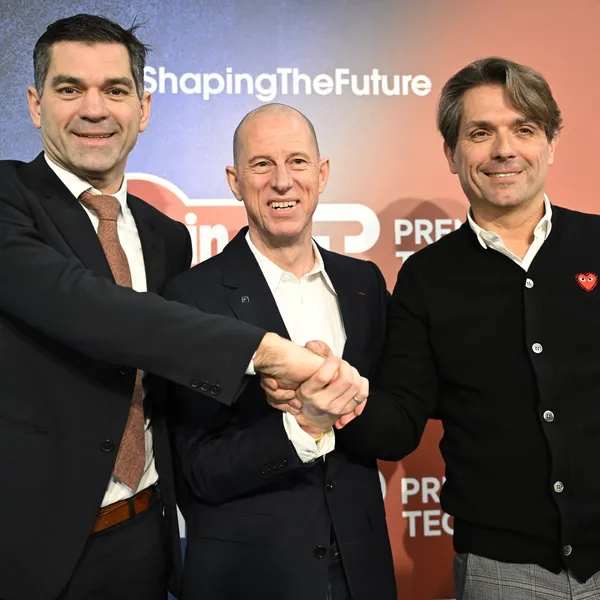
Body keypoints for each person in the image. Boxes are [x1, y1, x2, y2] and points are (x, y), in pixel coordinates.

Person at [0, 15, 358, 600]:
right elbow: (89, 308)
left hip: (148, 536)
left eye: (115, 90)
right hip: (27, 547)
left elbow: (171, 370)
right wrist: (267, 354)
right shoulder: (7, 199)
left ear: (142, 109)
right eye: (70, 89)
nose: (95, 109)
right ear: (36, 105)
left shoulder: (166, 237)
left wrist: (282, 393)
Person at [268, 57, 600, 599]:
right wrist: (335, 395)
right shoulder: (427, 278)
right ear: (451, 152)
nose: (504, 150)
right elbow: (398, 424)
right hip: (502, 570)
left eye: (524, 129)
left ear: (551, 144)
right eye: (480, 133)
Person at [161, 103, 397, 600]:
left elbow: (394, 416)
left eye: (297, 162)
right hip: (250, 578)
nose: (282, 181)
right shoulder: (191, 299)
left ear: (322, 173)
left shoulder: (364, 284)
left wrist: (350, 400)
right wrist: (302, 427)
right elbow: (198, 469)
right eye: (262, 164)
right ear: (234, 180)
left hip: (362, 572)